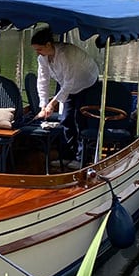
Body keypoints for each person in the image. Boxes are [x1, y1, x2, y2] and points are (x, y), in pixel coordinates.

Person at [31, 26, 100, 169]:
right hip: (67, 85)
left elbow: (69, 83)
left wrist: (52, 104)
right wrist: (43, 105)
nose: (37, 52)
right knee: (65, 119)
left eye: (39, 49)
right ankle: (67, 155)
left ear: (49, 45)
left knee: (80, 120)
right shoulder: (42, 58)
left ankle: (81, 158)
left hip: (86, 82)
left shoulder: (67, 54)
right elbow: (42, 80)